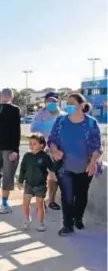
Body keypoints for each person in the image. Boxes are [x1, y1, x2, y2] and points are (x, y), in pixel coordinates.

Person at [48, 93, 103, 236]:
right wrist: (54, 150)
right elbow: (52, 139)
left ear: (81, 105)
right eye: (67, 103)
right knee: (67, 196)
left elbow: (97, 145)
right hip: (64, 167)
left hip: (85, 167)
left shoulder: (91, 123)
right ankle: (67, 225)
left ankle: (78, 218)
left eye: (72, 103)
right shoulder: (61, 121)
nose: (68, 106)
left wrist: (92, 163)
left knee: (81, 195)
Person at [0, 88, 22, 214]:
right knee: (8, 175)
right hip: (9, 147)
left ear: (1, 96)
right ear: (11, 97)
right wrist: (15, 150)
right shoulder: (14, 110)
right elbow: (16, 131)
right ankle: (4, 203)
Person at [31, 92, 66, 211]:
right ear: (45, 101)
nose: (52, 103)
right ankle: (39, 201)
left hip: (57, 150)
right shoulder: (40, 114)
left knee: (54, 177)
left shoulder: (63, 115)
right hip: (43, 149)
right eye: (50, 101)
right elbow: (34, 129)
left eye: (55, 101)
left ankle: (51, 201)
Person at [17, 134, 55, 232]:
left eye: (34, 143)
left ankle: (41, 223)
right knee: (25, 204)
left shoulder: (45, 156)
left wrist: (59, 161)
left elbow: (52, 168)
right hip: (29, 184)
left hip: (40, 185)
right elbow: (22, 169)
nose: (31, 145)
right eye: (30, 143)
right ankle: (26, 219)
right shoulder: (27, 156)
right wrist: (20, 181)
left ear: (42, 145)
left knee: (40, 206)